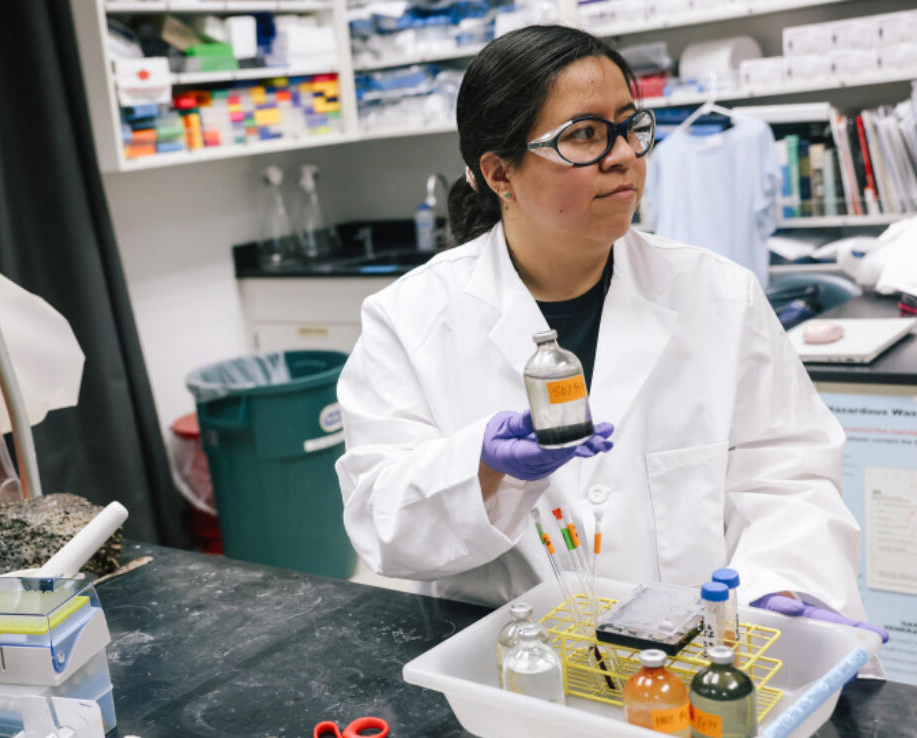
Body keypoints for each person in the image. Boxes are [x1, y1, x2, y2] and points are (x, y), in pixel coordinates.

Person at [334, 25, 886, 643]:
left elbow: (788, 476)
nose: (624, 154)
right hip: (511, 666)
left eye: (630, 126)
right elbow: (382, 524)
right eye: (584, 136)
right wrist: (480, 468)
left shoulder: (720, 295)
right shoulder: (407, 319)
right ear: (499, 174)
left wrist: (781, 583)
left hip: (694, 666)